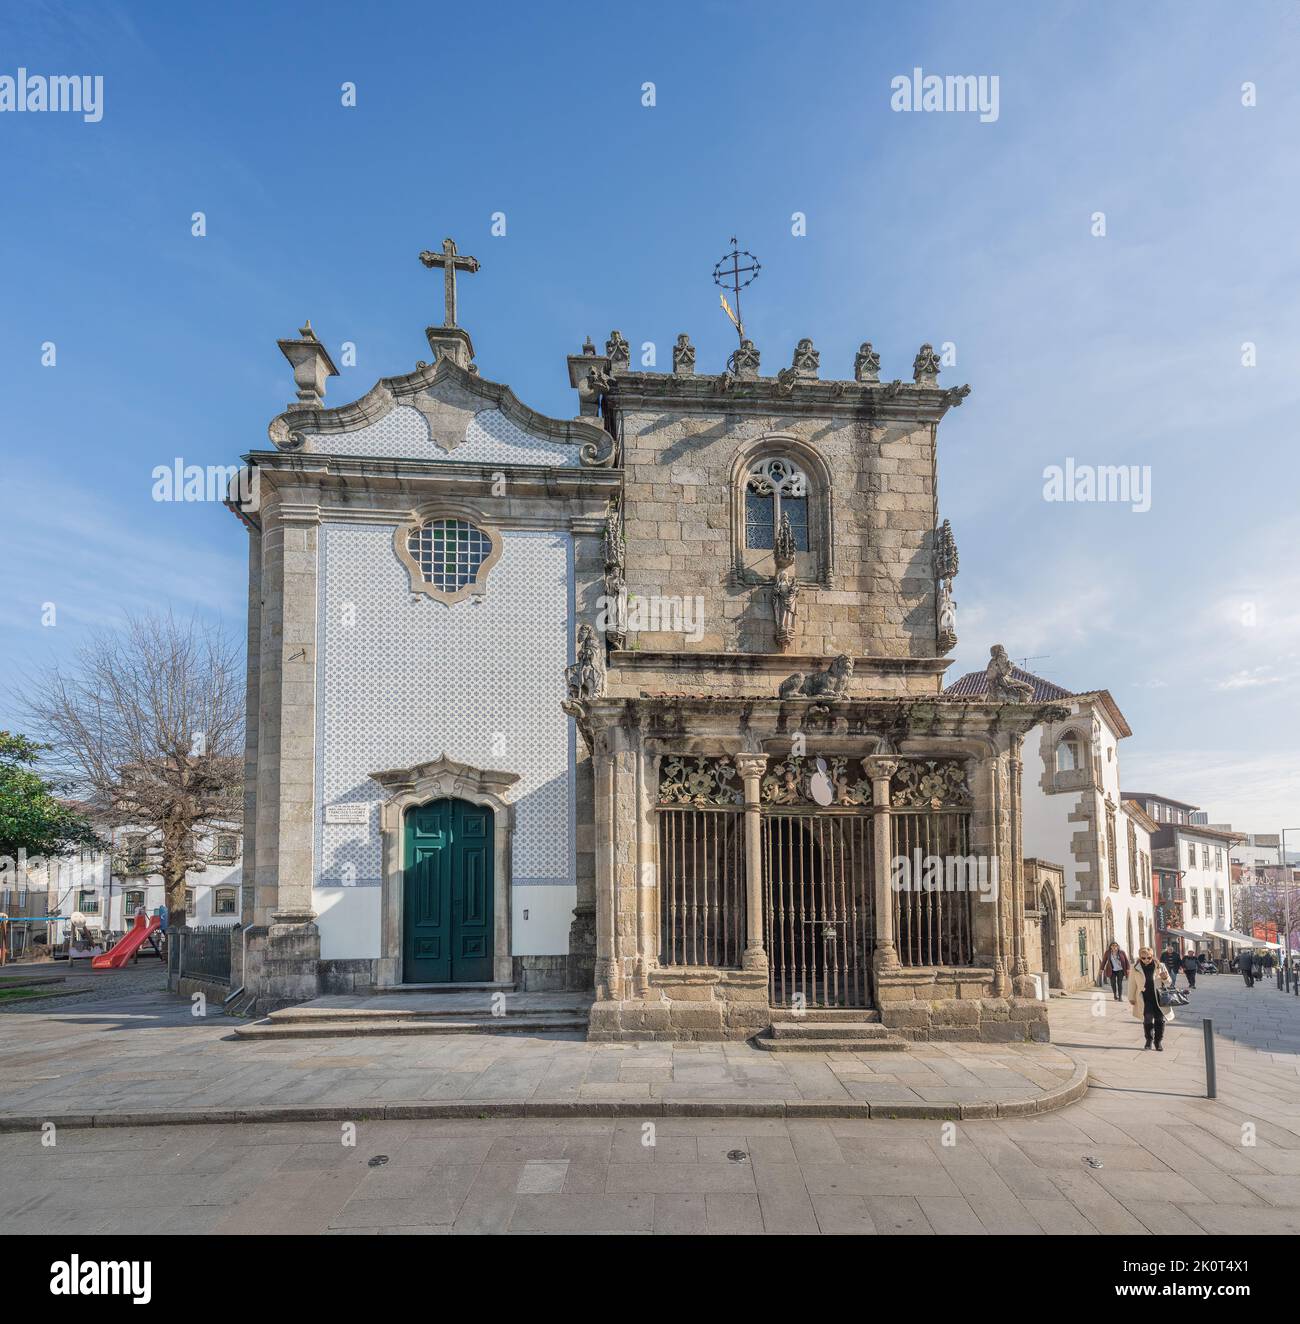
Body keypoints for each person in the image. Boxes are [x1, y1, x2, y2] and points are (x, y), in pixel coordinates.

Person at [1129, 944, 1174, 1050]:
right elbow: (1132, 983)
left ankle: (1158, 1042)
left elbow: (1168, 983)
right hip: (1144, 998)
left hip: (1159, 998)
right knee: (1148, 1019)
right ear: (1140, 957)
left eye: (1149, 957)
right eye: (1143, 958)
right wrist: (1131, 997)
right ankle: (1149, 1040)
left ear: (1152, 956)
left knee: (1159, 1020)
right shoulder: (1135, 968)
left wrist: (1166, 978)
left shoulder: (1160, 966)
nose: (1146, 960)